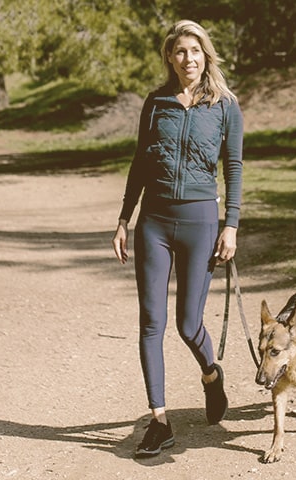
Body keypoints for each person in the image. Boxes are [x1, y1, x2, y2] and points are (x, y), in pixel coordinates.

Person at [111, 19, 244, 458]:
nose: (189, 58)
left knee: (189, 324)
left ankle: (211, 374)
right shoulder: (156, 103)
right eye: (180, 51)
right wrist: (124, 218)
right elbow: (139, 163)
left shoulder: (225, 106)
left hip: (201, 222)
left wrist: (232, 224)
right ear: (170, 57)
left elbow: (234, 168)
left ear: (206, 55)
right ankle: (159, 422)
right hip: (154, 221)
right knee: (151, 322)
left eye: (196, 50)